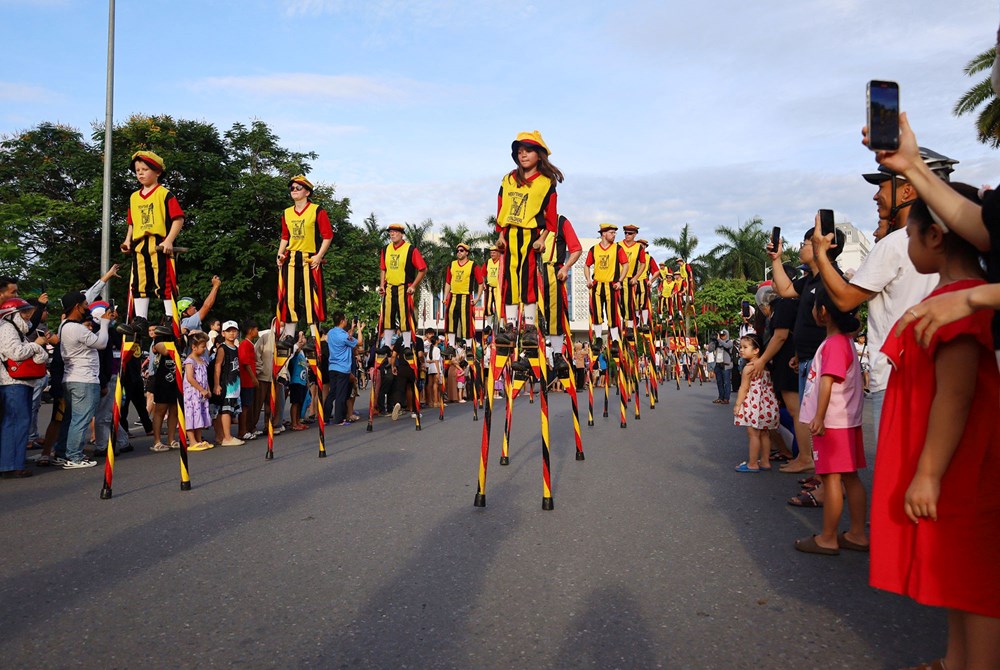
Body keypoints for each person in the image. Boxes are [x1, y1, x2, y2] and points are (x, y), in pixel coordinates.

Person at [870, 190, 1000, 670]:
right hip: (955, 463)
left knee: (979, 586)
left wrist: (928, 471)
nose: (905, 245)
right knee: (957, 575)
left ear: (934, 235)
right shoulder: (951, 299)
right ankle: (954, 660)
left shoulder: (962, 305)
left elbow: (957, 394)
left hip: (965, 466)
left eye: (909, 235)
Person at [812, 150, 955, 442]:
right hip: (938, 374)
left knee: (896, 477)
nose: (876, 196)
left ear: (908, 189)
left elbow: (844, 299)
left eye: (881, 186)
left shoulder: (894, 243)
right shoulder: (949, 238)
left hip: (895, 378)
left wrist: (820, 255)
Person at [793, 286, 868, 555]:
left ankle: (827, 537)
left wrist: (819, 417)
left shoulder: (835, 343)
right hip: (846, 421)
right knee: (850, 477)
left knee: (831, 479)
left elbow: (827, 382)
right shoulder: (844, 341)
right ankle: (857, 534)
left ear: (822, 311)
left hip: (833, 423)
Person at [766, 227, 846, 476]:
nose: (802, 247)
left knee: (824, 419)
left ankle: (827, 477)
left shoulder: (831, 277)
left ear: (826, 245)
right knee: (809, 416)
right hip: (806, 357)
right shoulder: (809, 280)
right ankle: (814, 468)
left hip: (824, 360)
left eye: (808, 242)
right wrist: (776, 259)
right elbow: (784, 290)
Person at [495, 130, 562, 328]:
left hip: (530, 235)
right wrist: (500, 234)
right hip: (509, 236)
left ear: (538, 154)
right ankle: (511, 325)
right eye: (520, 151)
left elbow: (551, 216)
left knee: (529, 279)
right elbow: (501, 207)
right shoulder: (508, 179)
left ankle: (531, 326)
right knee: (510, 279)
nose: (523, 155)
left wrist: (542, 239)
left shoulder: (545, 182)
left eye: (528, 151)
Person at [118, 151, 184, 335]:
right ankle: (141, 320)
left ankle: (171, 319)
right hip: (140, 245)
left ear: (157, 172)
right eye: (138, 170)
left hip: (159, 243)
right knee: (139, 283)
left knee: (164, 281)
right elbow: (132, 222)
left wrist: (169, 240)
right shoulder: (134, 197)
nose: (140, 173)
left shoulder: (164, 194)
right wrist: (127, 240)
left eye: (145, 169)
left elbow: (178, 219)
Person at [55, 291, 111, 468]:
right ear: (77, 307)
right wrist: (105, 323)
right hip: (84, 380)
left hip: (71, 378)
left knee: (71, 419)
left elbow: (90, 293)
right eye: (85, 305)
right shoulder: (77, 328)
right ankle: (74, 457)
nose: (87, 308)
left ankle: (63, 453)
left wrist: (105, 279)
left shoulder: (64, 325)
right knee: (81, 419)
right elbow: (101, 343)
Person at [276, 175, 334, 343]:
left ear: (307, 192)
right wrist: (280, 254)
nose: (294, 190)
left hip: (310, 259)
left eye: (298, 188)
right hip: (292, 258)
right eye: (292, 188)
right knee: (290, 297)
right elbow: (285, 236)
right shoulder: (287, 213)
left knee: (312, 296)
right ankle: (289, 334)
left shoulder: (317, 210)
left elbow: (327, 235)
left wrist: (319, 256)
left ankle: (314, 335)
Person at [0, 298, 51, 478]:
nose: (28, 316)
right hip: (12, 383)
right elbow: (16, 353)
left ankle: (13, 462)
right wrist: (35, 346)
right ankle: (12, 464)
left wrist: (35, 348)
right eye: (23, 313)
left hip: (19, 382)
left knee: (18, 423)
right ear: (11, 315)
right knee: (16, 423)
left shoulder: (14, 329)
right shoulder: (7, 329)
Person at [538, 214, 583, 378]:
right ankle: (530, 352)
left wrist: (566, 268)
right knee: (532, 314)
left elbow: (576, 249)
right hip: (534, 272)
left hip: (552, 272)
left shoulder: (560, 221)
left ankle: (557, 354)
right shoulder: (531, 219)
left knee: (554, 313)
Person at [732, 333, 778, 472]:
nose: (741, 349)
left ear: (756, 350)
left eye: (745, 347)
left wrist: (738, 404)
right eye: (741, 347)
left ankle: (752, 463)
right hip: (767, 404)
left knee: (753, 434)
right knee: (765, 433)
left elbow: (744, 388)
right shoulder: (766, 367)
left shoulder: (749, 368)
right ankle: (765, 461)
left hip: (754, 404)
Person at [378, 224, 427, 348]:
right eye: (390, 232)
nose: (392, 234)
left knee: (405, 317)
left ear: (401, 234)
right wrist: (381, 285)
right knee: (388, 316)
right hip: (389, 287)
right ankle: (387, 345)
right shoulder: (385, 249)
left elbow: (423, 269)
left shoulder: (410, 249)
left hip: (404, 287)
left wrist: (414, 286)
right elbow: (383, 268)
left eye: (395, 232)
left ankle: (407, 345)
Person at [584, 224, 629, 345]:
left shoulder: (617, 248)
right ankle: (598, 338)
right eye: (612, 233)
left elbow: (626, 264)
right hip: (597, 285)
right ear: (604, 234)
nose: (614, 235)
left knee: (613, 313)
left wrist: (620, 281)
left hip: (612, 285)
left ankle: (615, 340)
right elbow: (587, 265)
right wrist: (588, 279)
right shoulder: (594, 249)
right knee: (597, 312)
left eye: (615, 233)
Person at [148, 324, 182, 452]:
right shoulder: (159, 338)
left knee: (174, 410)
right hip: (163, 379)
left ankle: (171, 439)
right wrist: (175, 342)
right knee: (160, 410)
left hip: (176, 380)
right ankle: (157, 441)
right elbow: (166, 351)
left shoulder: (179, 337)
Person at [326, 313, 363, 426]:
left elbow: (348, 337)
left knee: (332, 393)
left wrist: (351, 329)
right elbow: (359, 342)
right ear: (342, 321)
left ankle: (325, 417)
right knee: (341, 394)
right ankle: (339, 419)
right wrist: (359, 329)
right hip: (342, 368)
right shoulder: (343, 336)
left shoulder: (331, 333)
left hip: (332, 366)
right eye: (345, 319)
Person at [212, 321, 244, 446]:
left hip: (235, 384)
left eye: (234, 331)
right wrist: (216, 384)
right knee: (226, 410)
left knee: (228, 410)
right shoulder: (223, 348)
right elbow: (217, 365)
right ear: (223, 333)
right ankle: (227, 437)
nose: (232, 333)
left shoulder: (235, 348)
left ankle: (221, 436)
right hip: (226, 384)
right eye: (229, 331)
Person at [182, 331, 213, 450]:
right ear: (194, 347)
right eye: (202, 347)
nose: (204, 349)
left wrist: (207, 389)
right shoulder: (190, 361)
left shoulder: (203, 361)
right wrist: (201, 389)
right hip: (192, 394)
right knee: (191, 414)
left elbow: (205, 377)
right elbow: (190, 378)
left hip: (201, 394)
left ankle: (199, 438)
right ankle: (192, 441)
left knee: (200, 414)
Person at [443, 244, 477, 348]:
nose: (459, 252)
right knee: (451, 322)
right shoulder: (452, 264)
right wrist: (445, 297)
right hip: (453, 296)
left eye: (461, 250)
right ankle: (451, 346)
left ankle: (469, 347)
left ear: (467, 252)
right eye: (457, 250)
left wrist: (477, 298)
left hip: (466, 297)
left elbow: (481, 283)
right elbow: (448, 282)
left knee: (467, 324)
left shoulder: (472, 265)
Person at [238, 320, 259, 440]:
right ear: (250, 330)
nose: (257, 331)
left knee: (248, 405)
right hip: (246, 380)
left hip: (249, 379)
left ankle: (247, 429)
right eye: (256, 329)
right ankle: (242, 430)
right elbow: (245, 362)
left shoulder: (249, 344)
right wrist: (253, 377)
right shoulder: (245, 344)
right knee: (245, 406)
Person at [708, 330, 734, 404]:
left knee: (726, 382)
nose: (722, 336)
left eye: (723, 335)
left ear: (727, 335)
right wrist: (713, 341)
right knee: (719, 382)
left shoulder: (729, 342)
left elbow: (727, 346)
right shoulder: (717, 343)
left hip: (726, 365)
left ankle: (726, 398)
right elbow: (710, 349)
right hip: (718, 364)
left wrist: (719, 339)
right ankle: (720, 397)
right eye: (721, 335)